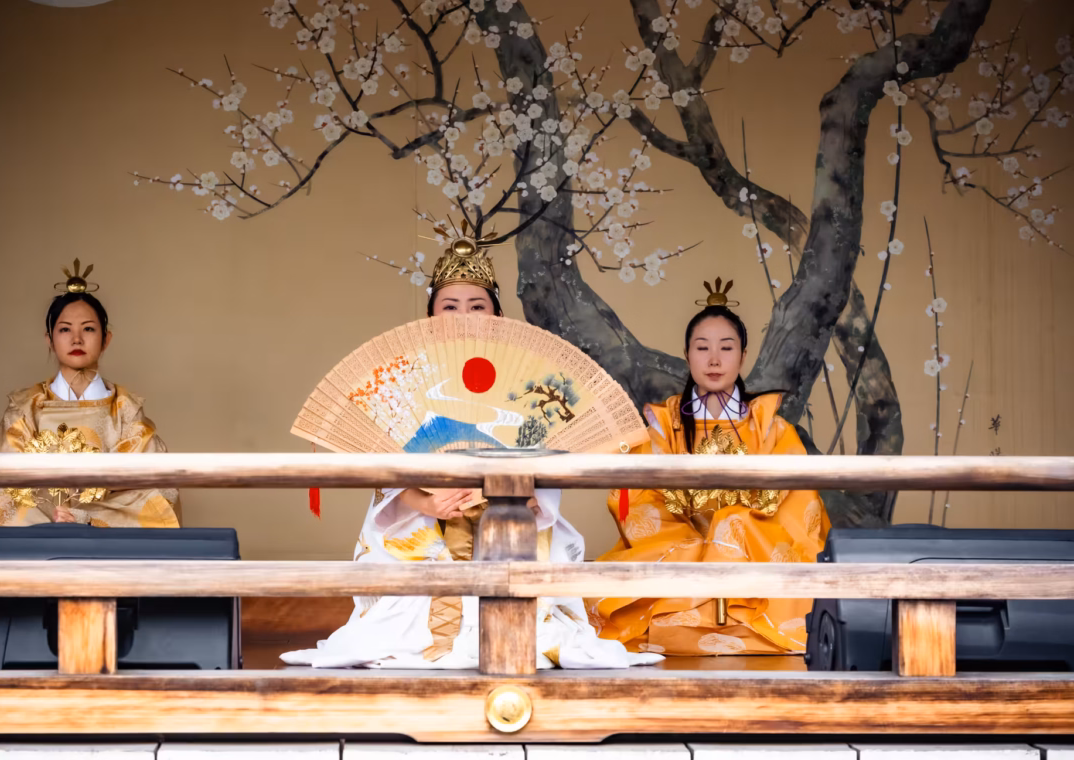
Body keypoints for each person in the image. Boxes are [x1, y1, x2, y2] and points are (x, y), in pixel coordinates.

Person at [282, 239, 659, 669]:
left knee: (525, 559)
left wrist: (528, 500)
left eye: (477, 306)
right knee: (413, 567)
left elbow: (552, 446)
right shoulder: (404, 375)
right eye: (450, 307)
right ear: (430, 316)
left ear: (497, 316)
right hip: (425, 517)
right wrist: (425, 501)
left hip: (510, 509)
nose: (464, 316)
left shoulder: (533, 377)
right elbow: (385, 462)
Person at [589, 279, 830, 656]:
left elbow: (797, 503)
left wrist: (730, 527)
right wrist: (692, 542)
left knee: (732, 526)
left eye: (726, 348)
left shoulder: (772, 427)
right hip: (679, 544)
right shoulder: (662, 426)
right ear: (687, 355)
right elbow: (637, 498)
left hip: (751, 547)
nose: (714, 360)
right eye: (702, 348)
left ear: (743, 356)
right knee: (668, 557)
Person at [0, 259, 180, 539]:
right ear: (50, 339)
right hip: (39, 534)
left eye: (88, 329)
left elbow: (150, 487)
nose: (76, 339)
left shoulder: (126, 409)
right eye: (65, 329)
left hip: (106, 540)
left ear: (106, 339)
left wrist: (85, 518)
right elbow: (4, 480)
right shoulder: (25, 406)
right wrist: (52, 515)